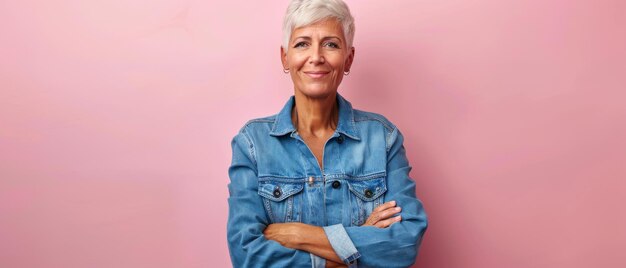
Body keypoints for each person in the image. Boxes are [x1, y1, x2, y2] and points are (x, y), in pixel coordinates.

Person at [227, 0, 428, 267]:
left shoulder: (383, 138)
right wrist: (345, 256)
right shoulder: (252, 143)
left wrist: (300, 235)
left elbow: (403, 244)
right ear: (285, 57)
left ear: (349, 58)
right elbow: (246, 255)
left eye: (331, 44)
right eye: (302, 44)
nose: (316, 57)